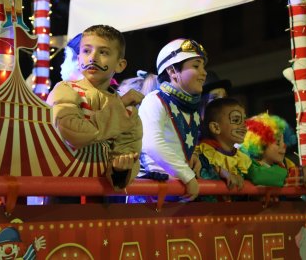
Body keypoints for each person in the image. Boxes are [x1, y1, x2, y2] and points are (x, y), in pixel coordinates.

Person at [47, 25, 144, 193]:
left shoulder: (129, 112)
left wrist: (121, 169)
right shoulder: (65, 90)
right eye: (86, 51)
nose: (92, 58)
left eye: (103, 52)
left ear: (120, 65)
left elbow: (129, 149)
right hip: (64, 190)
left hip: (103, 195)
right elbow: (72, 133)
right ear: (78, 59)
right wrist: (120, 107)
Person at [139, 38, 207, 202]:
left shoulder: (191, 108)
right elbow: (151, 144)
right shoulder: (154, 99)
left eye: (203, 67)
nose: (204, 73)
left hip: (177, 191)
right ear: (172, 71)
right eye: (196, 66)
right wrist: (188, 175)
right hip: (152, 192)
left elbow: (177, 143)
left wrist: (192, 156)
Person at [240, 112, 306, 189]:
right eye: (278, 142)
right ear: (261, 144)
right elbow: (260, 176)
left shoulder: (286, 164)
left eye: (284, 141)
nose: (284, 146)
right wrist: (301, 176)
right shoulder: (248, 164)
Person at [195, 98, 251, 201]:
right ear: (216, 128)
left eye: (244, 120)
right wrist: (220, 172)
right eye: (236, 120)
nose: (244, 125)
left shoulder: (244, 158)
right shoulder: (201, 153)